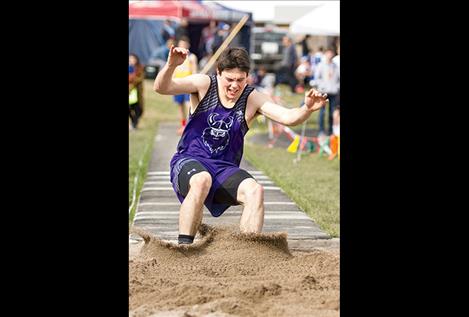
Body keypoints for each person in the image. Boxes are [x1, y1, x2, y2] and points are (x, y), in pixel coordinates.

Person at [154, 46, 328, 245]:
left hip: (223, 169)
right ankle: (184, 248)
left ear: (247, 77)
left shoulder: (252, 98)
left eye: (240, 80)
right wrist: (171, 66)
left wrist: (307, 108)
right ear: (218, 73)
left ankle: (247, 252)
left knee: (255, 191)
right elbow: (162, 88)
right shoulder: (204, 84)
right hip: (189, 160)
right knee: (201, 180)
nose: (234, 86)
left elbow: (288, 117)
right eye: (229, 79)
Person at [172, 36, 198, 135]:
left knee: (189, 105)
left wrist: (194, 83)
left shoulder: (191, 57)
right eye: (181, 44)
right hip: (177, 83)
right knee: (180, 105)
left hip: (187, 84)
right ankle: (182, 125)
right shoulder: (175, 57)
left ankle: (189, 125)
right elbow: (173, 70)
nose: (182, 46)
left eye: (184, 44)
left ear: (188, 45)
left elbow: (194, 71)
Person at [314, 47, 340, 136]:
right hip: (323, 92)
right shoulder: (321, 65)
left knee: (332, 112)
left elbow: (338, 79)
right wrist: (322, 87)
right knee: (322, 112)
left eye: (331, 53)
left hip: (333, 92)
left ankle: (330, 130)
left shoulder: (335, 66)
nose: (329, 55)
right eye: (328, 53)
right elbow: (317, 78)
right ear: (325, 54)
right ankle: (321, 131)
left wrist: (336, 87)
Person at [129, 53, 145, 130]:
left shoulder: (139, 68)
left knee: (138, 109)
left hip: (136, 93)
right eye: (130, 59)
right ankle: (133, 123)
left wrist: (132, 79)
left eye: (133, 59)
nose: (132, 60)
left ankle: (135, 123)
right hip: (129, 92)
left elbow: (139, 78)